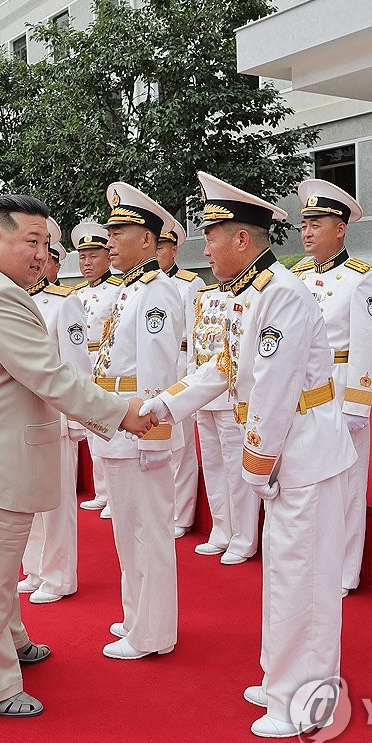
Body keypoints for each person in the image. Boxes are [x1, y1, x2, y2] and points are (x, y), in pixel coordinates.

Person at [0, 194, 156, 718]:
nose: (42, 253)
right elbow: (51, 377)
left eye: (46, 242)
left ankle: (11, 642)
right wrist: (122, 414)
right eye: (32, 241)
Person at [143, 171, 356, 738]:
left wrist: (257, 462)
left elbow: (276, 387)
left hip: (301, 454)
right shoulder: (250, 294)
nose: (203, 248)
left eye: (211, 236)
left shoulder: (280, 295)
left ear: (242, 240)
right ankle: (282, 677)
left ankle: (306, 697)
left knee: (303, 578)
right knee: (286, 575)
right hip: (287, 452)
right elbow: (223, 368)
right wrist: (162, 406)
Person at [91, 181, 184, 661]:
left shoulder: (155, 293)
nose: (110, 239)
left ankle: (153, 631)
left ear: (147, 240)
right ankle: (136, 616)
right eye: (109, 229)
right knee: (127, 531)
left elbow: (159, 372)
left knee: (149, 531)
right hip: (118, 427)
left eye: (120, 230)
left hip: (140, 429)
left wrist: (154, 437)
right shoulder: (128, 291)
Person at [290, 179, 372, 595]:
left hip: (339, 390)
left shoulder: (361, 280)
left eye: (317, 223)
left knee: (347, 484)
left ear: (341, 227)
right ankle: (313, 560)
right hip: (300, 392)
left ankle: (345, 571)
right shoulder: (294, 276)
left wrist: (358, 406)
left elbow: (368, 348)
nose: (307, 232)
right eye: (304, 224)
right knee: (305, 479)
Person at [18, 219, 91, 605]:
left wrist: (78, 423)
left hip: (55, 418)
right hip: (19, 417)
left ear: (51, 261)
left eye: (40, 258)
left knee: (58, 504)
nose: (34, 265)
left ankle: (60, 574)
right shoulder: (11, 301)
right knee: (29, 500)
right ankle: (34, 568)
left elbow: (77, 368)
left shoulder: (64, 303)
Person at [188, 278, 259, 564]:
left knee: (235, 466)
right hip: (204, 394)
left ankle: (244, 537)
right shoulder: (204, 295)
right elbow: (196, 347)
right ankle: (220, 529)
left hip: (231, 394)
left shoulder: (249, 294)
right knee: (214, 465)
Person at [70, 221, 122, 517]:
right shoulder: (75, 293)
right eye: (82, 256)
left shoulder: (118, 290)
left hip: (105, 362)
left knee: (109, 428)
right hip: (83, 365)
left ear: (107, 257)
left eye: (93, 255)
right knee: (91, 429)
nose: (87, 263)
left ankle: (114, 495)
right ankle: (102, 491)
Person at [157, 213, 204, 540]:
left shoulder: (190, 283)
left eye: (163, 246)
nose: (157, 252)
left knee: (181, 447)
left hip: (178, 369)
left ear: (174, 249)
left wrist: (190, 376)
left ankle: (182, 513)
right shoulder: (142, 284)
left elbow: (195, 335)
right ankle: (162, 508)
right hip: (152, 373)